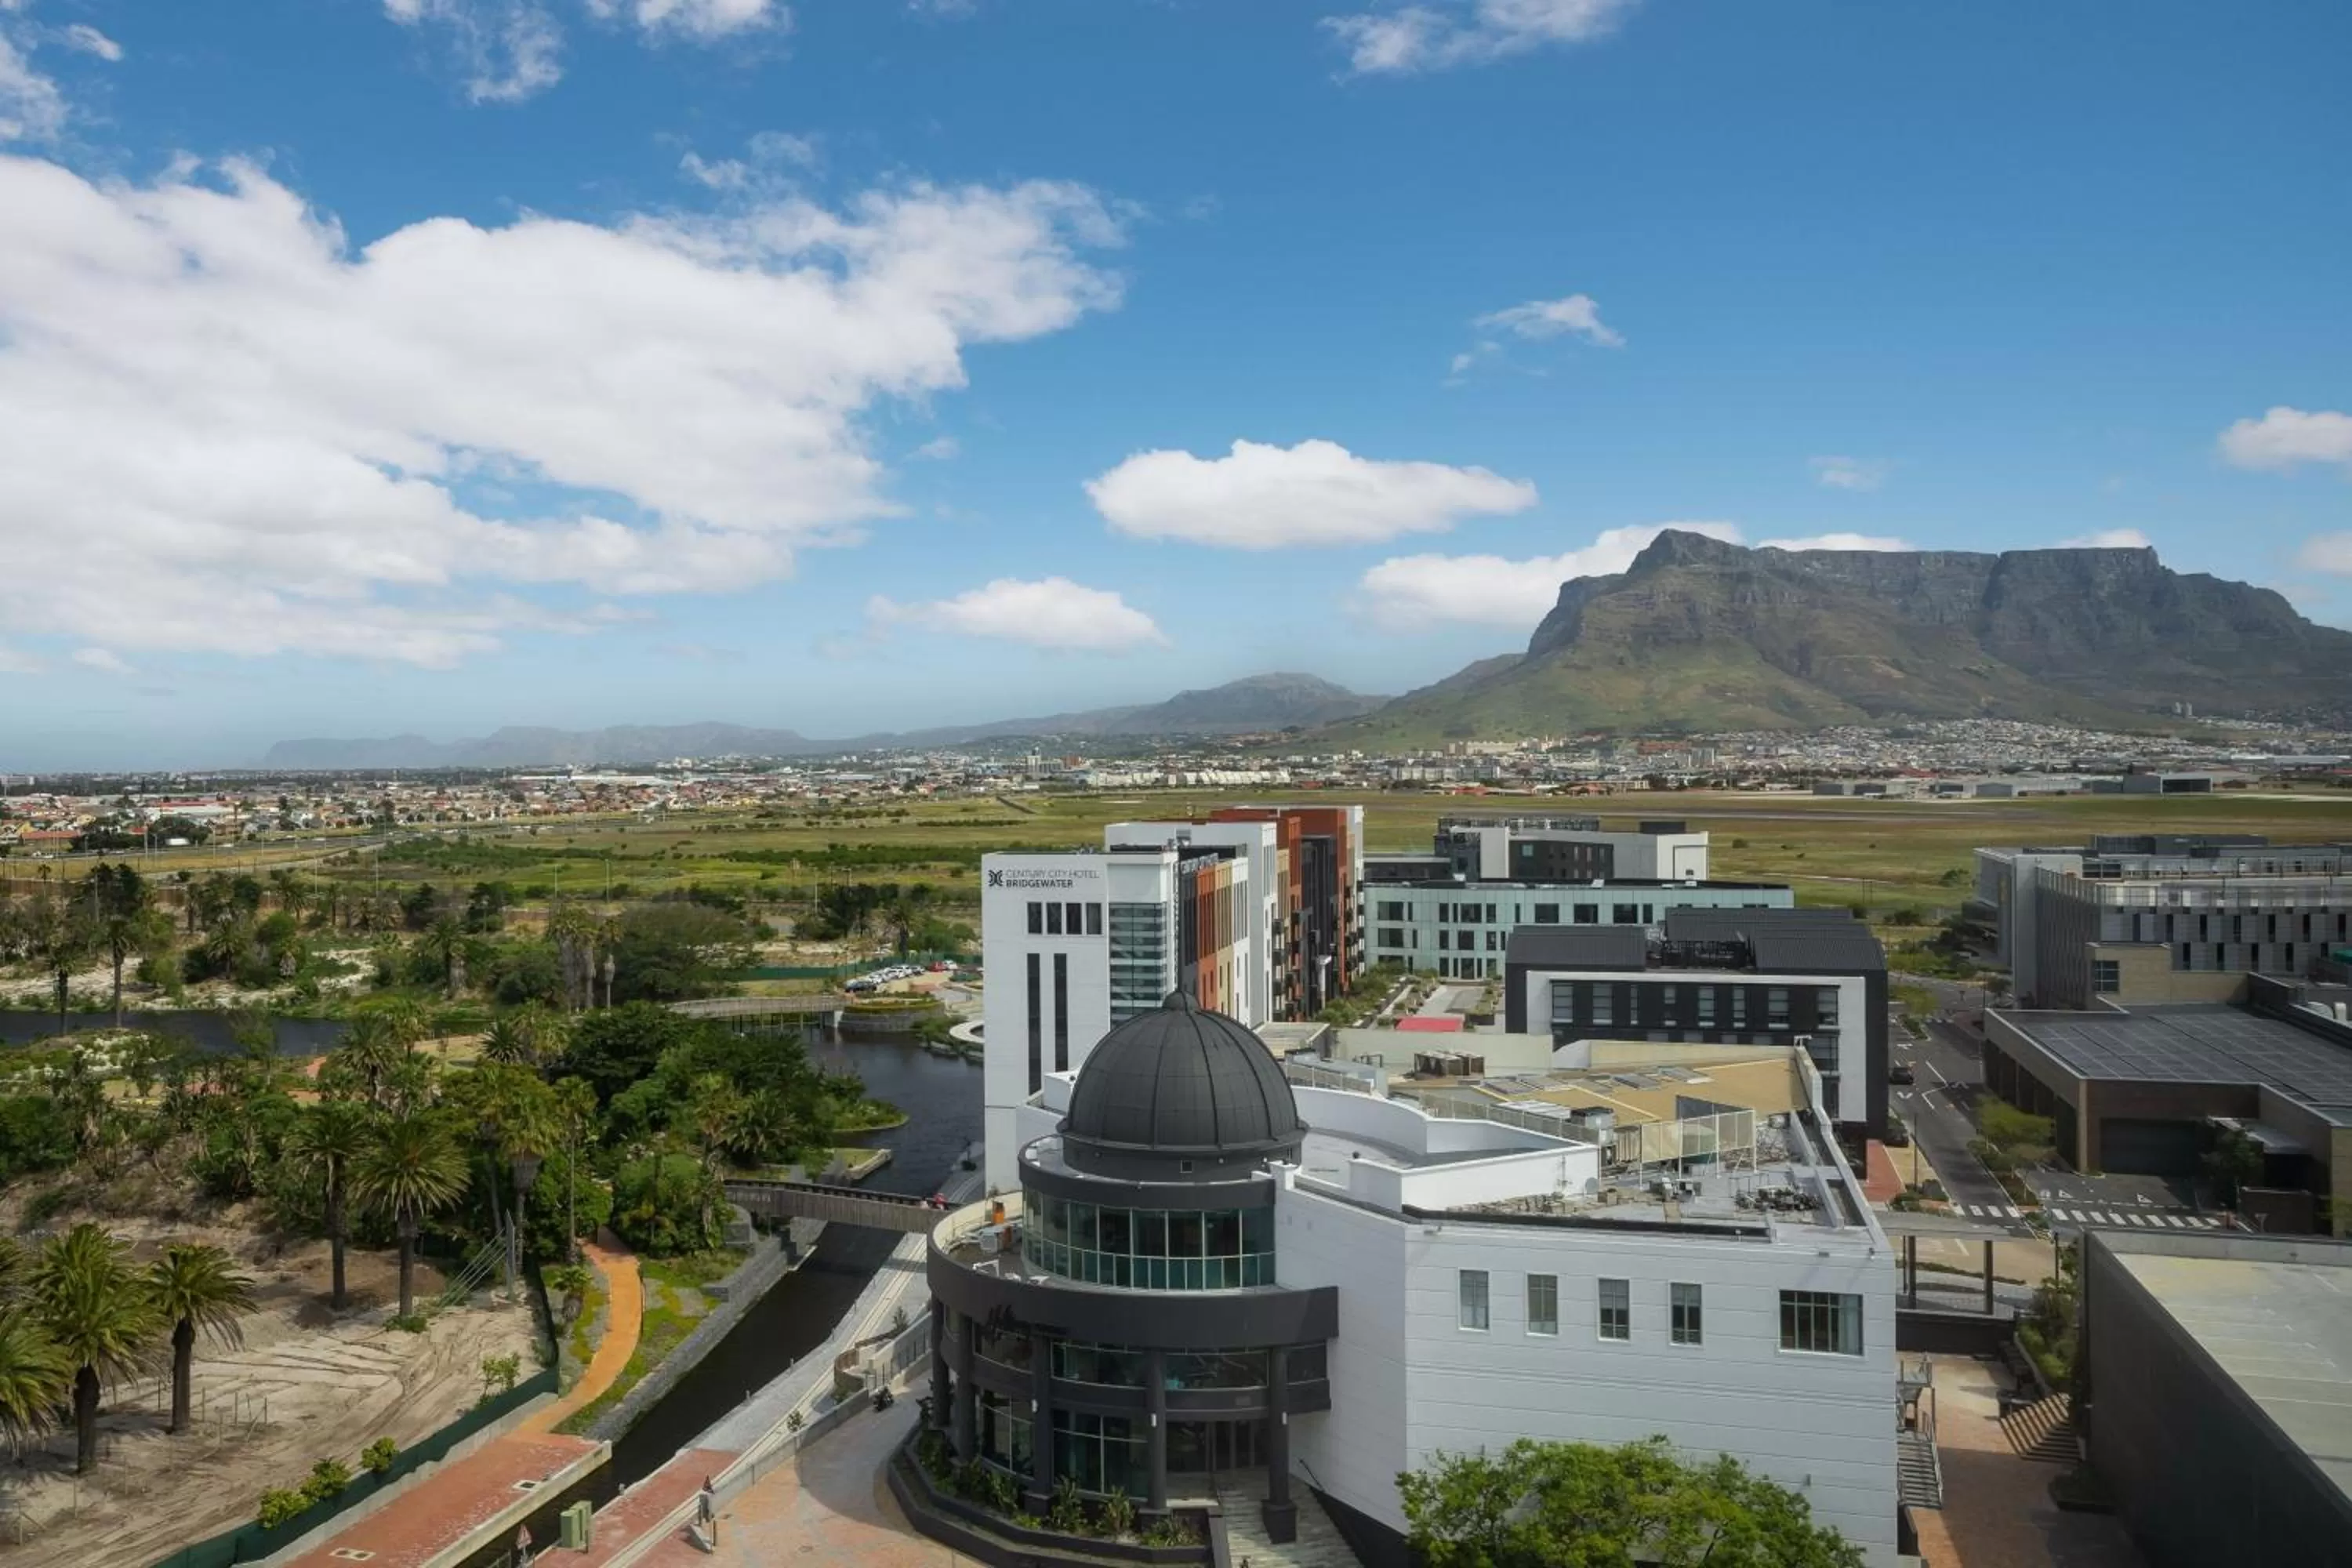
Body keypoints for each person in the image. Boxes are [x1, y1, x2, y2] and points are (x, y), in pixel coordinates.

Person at [698, 1476, 719, 1547]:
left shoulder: (709, 1494)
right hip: (708, 1508)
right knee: (708, 1511)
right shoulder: (708, 1494)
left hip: (708, 1507)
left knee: (708, 1511)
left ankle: (707, 1518)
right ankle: (706, 1518)